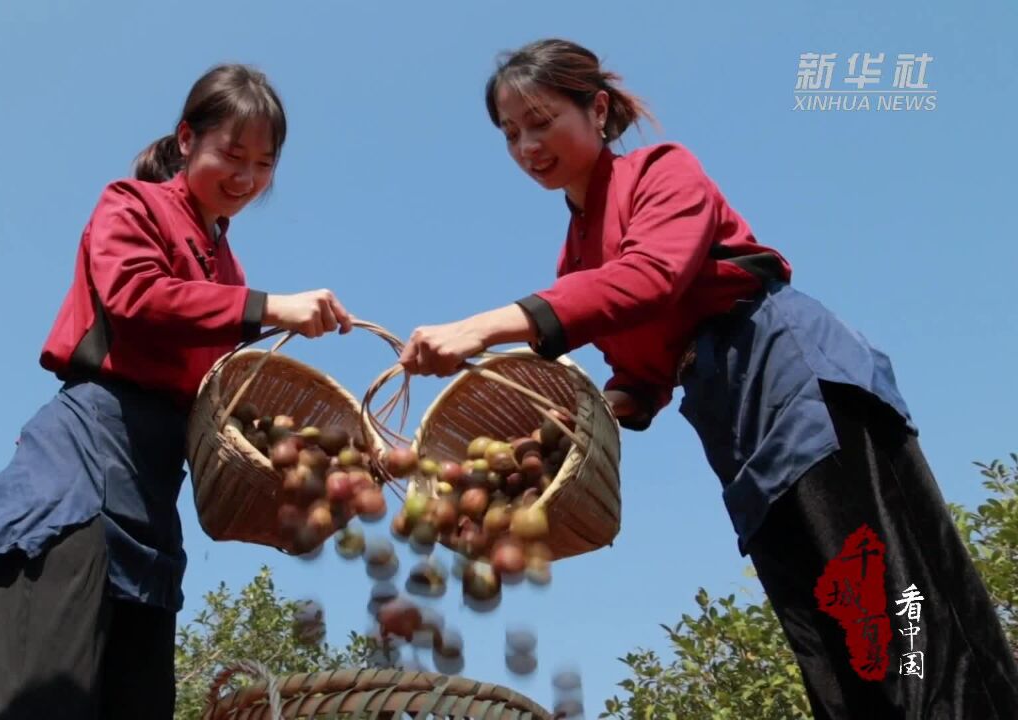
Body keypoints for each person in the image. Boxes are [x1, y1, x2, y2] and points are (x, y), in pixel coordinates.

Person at [398, 38, 1018, 718]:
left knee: (890, 609)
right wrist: (567, 433)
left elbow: (650, 278)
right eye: (511, 134)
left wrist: (486, 327)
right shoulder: (574, 259)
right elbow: (640, 375)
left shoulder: (662, 171)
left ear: (596, 109)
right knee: (829, 637)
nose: (526, 146)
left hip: (792, 378)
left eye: (541, 120)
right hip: (733, 421)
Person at [0, 63, 352, 719]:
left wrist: (321, 468)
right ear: (187, 139)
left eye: (263, 164)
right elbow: (135, 296)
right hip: (86, 471)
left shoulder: (228, 267)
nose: (246, 179)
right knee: (42, 695)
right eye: (232, 153)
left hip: (154, 495)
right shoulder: (131, 204)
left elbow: (225, 406)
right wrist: (269, 308)